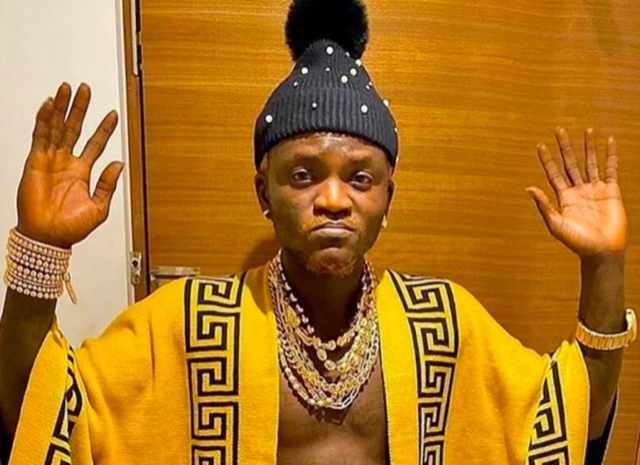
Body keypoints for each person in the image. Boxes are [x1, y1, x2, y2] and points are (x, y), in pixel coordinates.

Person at [0, 0, 636, 463]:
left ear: (388, 197)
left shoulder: (443, 327)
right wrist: (40, 254)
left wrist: (603, 266)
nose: (333, 199)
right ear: (264, 193)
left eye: (360, 177)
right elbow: (40, 413)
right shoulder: (189, 326)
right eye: (303, 174)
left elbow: (567, 422)